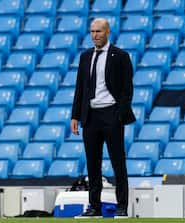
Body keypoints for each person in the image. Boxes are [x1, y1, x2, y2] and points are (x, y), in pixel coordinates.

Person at [70, 18, 136, 218]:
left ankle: (122, 206)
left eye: (98, 31)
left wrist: (119, 113)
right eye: (92, 31)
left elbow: (127, 89)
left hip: (111, 114)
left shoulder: (121, 56)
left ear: (107, 32)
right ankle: (94, 207)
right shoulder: (85, 57)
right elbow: (80, 88)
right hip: (90, 116)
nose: (95, 35)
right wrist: (75, 116)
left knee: (118, 163)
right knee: (92, 164)